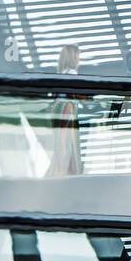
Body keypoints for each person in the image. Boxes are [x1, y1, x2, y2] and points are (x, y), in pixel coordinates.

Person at [46, 45, 82, 177]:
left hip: (58, 115)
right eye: (77, 56)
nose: (79, 60)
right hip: (67, 115)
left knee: (60, 154)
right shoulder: (72, 74)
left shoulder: (60, 76)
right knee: (68, 154)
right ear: (73, 57)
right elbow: (70, 100)